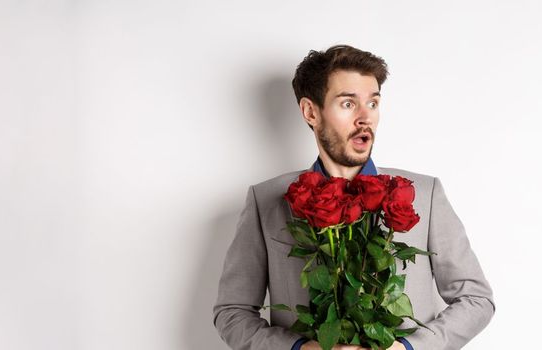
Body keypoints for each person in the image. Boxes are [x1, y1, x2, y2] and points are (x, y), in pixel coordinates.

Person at [212, 44, 495, 350]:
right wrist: (300, 349)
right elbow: (232, 312)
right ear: (311, 111)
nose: (365, 118)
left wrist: (408, 348)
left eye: (373, 104)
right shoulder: (266, 200)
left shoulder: (425, 194)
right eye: (348, 104)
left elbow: (476, 299)